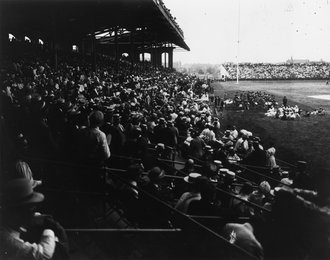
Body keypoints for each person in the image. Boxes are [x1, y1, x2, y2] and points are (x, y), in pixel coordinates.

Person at [0, 179, 68, 260]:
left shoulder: (7, 222)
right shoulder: (7, 238)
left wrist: (34, 219)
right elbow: (43, 255)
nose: (34, 209)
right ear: (16, 211)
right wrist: (49, 229)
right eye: (30, 206)